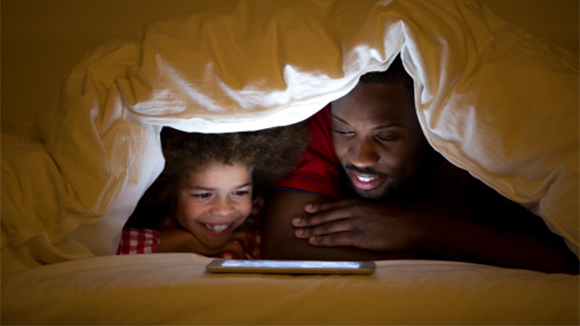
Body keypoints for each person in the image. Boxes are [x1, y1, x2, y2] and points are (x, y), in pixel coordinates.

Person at [261, 55, 579, 274]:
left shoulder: (471, 140)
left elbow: (562, 259)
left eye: (386, 137)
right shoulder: (324, 120)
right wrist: (460, 252)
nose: (359, 157)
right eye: (345, 132)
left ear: (431, 131)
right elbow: (283, 248)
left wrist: (416, 229)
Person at [117, 123, 308, 259]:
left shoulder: (257, 232)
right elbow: (97, 246)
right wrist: (167, 243)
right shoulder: (132, 225)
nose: (224, 210)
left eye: (240, 193)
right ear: (167, 190)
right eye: (203, 195)